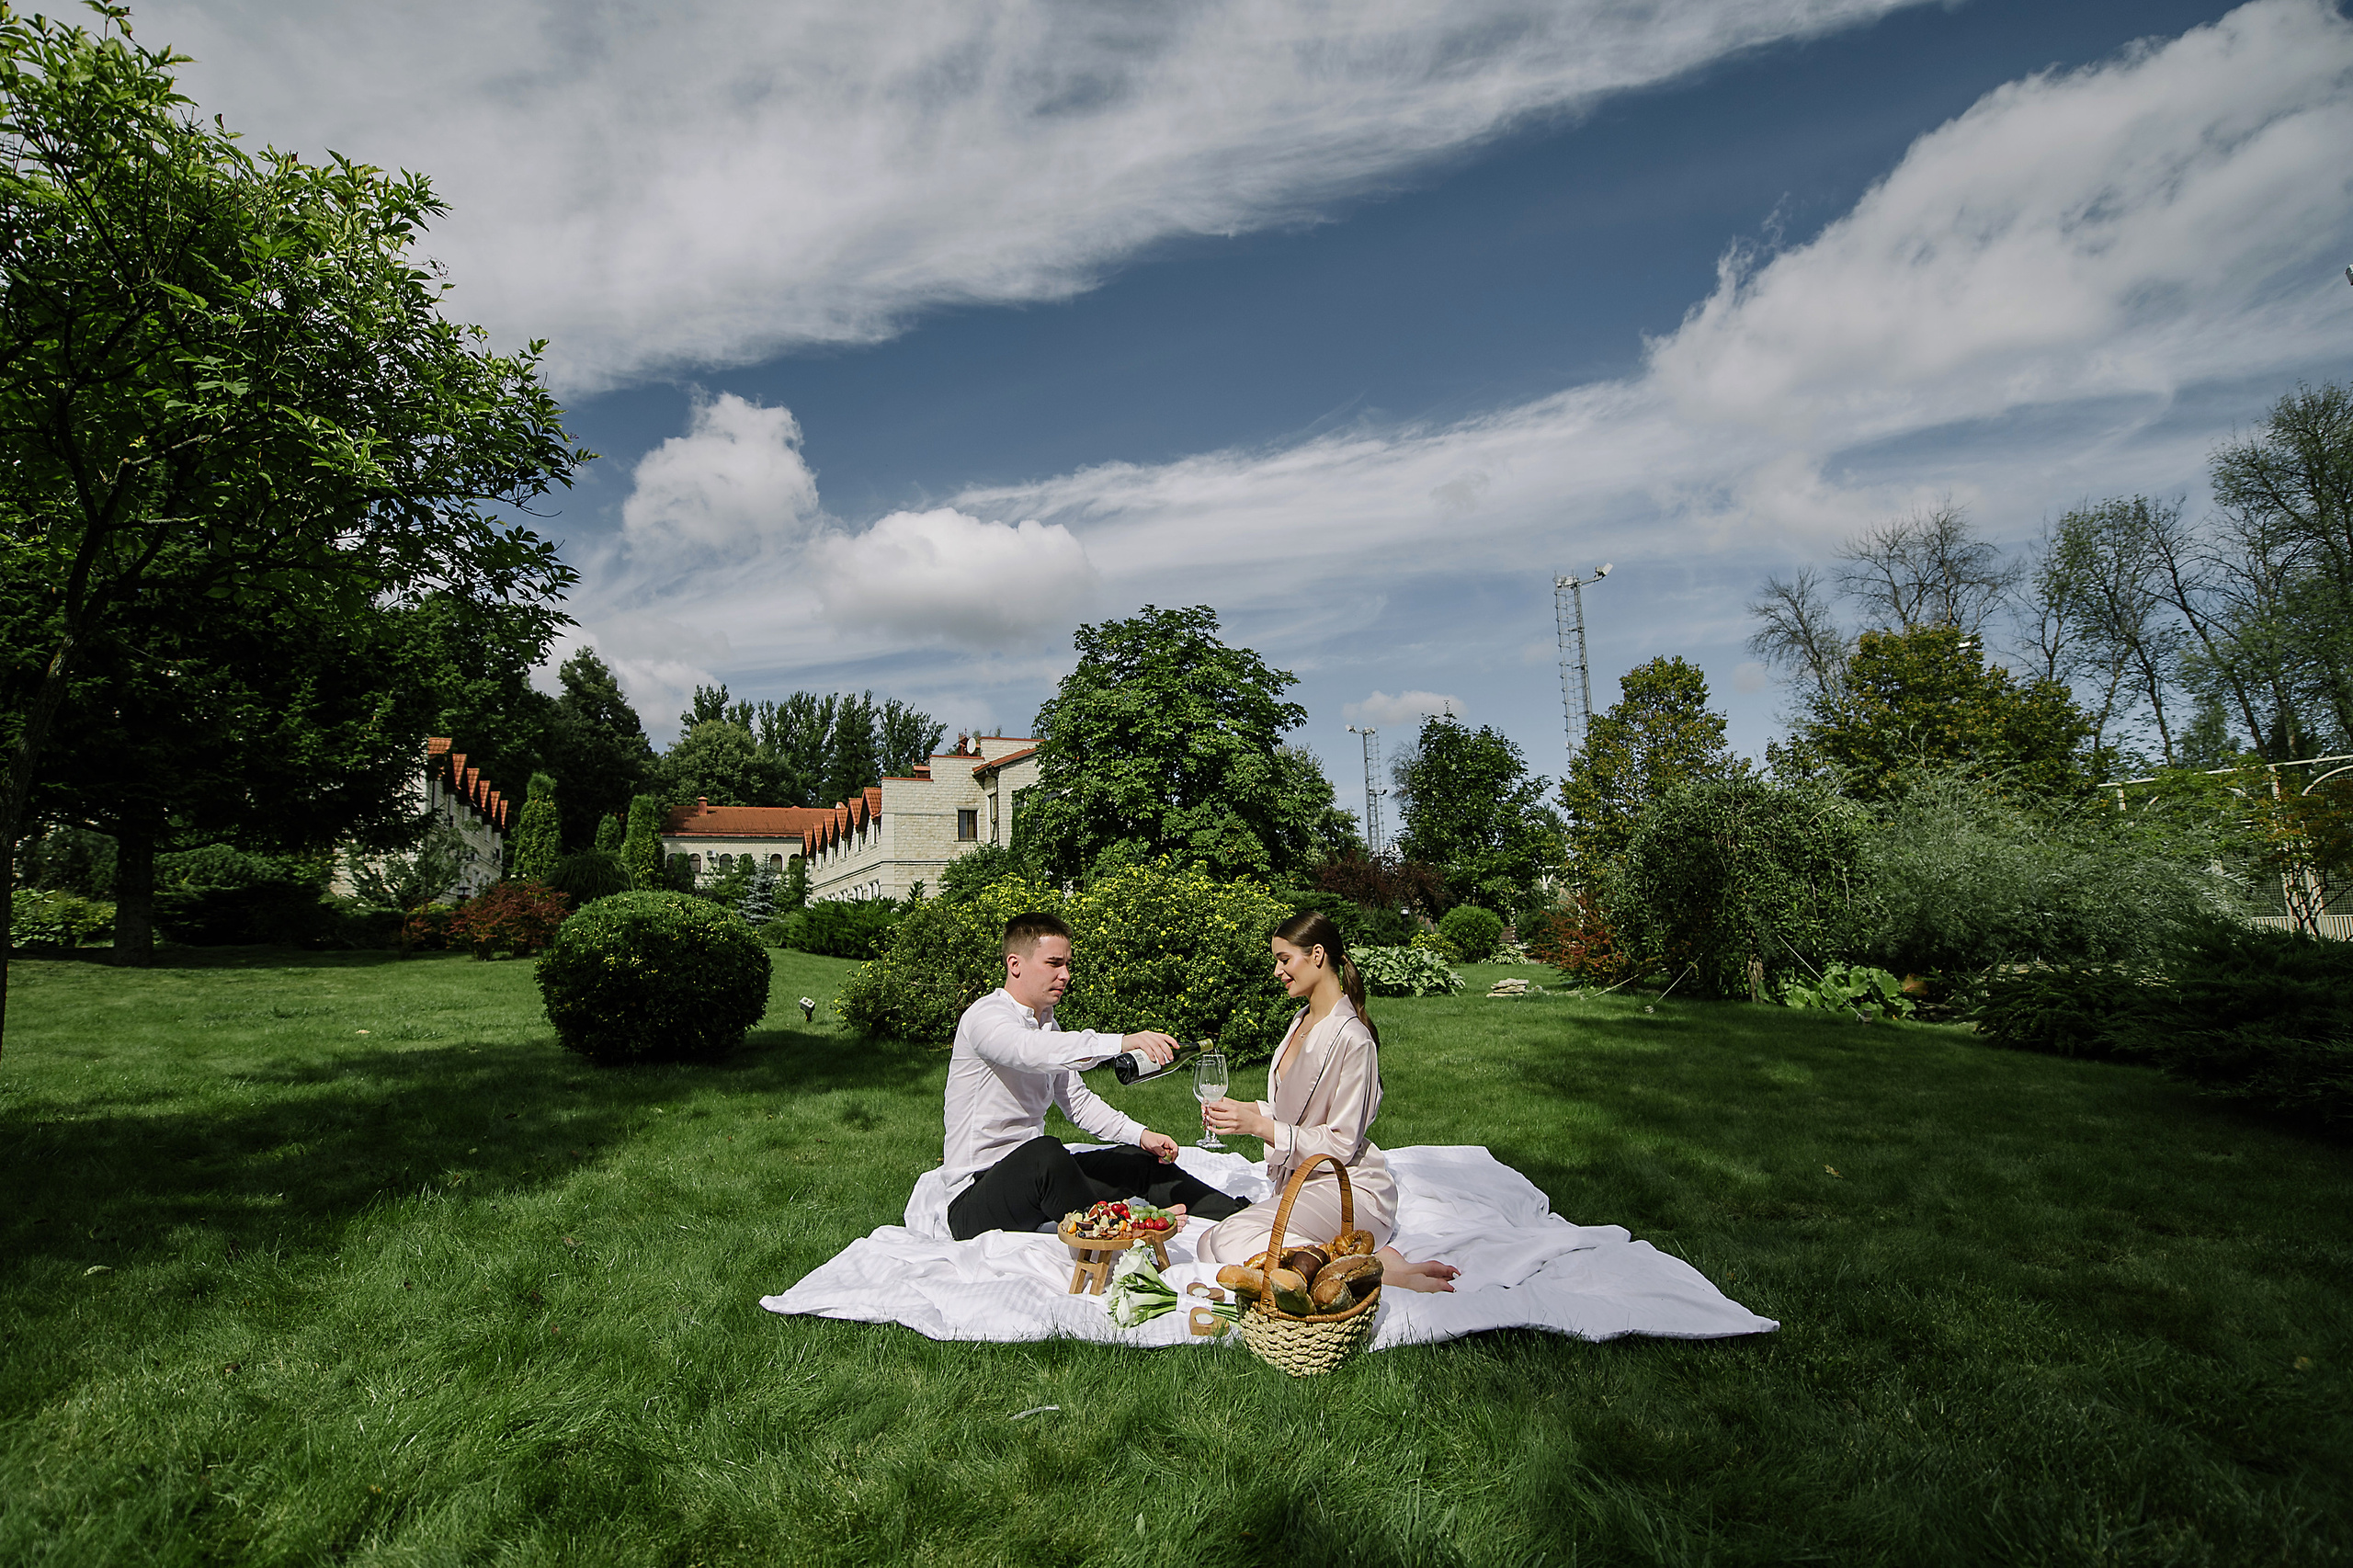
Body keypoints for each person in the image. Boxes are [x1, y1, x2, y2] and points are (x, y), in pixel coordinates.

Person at [944, 911, 1249, 1242]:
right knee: (1046, 1154)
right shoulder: (985, 1017)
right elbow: (1030, 1051)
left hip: (1034, 1183)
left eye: (1067, 964)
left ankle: (1243, 1219)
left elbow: (1076, 1100)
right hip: (975, 1200)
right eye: (1054, 963)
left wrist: (1140, 1134)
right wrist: (1122, 1042)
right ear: (1015, 964)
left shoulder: (1047, 1024)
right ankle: (1127, 1228)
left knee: (1135, 1161)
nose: (1065, 975)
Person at [1197, 911, 1460, 1293]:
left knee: (1227, 1240)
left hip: (1348, 1187)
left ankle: (1372, 1270)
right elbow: (1299, 1112)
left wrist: (1260, 1127)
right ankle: (1361, 1260)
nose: (1276, 971)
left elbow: (1339, 1141)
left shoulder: (1354, 1040)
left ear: (1317, 955)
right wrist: (1249, 1112)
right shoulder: (1300, 1022)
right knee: (1209, 1244)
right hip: (1305, 1183)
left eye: (1284, 959)